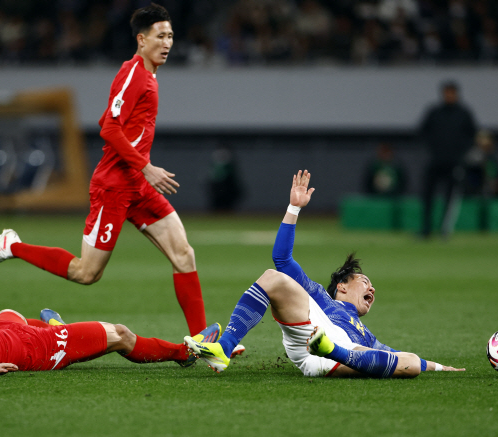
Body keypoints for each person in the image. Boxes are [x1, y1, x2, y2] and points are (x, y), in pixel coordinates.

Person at [0, 4, 207, 338]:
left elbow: (112, 123)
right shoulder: (134, 75)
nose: (167, 43)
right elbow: (109, 129)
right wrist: (146, 166)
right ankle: (12, 246)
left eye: (170, 36)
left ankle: (203, 341)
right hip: (114, 186)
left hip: (138, 185)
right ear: (141, 40)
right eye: (160, 36)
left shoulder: (148, 76)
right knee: (87, 273)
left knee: (184, 254)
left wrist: (142, 170)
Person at [186, 171, 465, 378]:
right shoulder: (318, 295)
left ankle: (331, 349)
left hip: (341, 355)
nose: (372, 290)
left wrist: (441, 367)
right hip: (311, 328)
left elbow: (399, 357)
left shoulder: (366, 334)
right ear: (342, 287)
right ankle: (224, 348)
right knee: (272, 276)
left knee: (412, 363)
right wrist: (294, 208)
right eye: (365, 281)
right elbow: (282, 258)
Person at [0, 283, 223, 376]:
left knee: (7, 311)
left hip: (7, 334)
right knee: (120, 334)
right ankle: (186, 353)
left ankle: (60, 327)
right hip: (35, 348)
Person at [419, 81, 477, 238]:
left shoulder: (464, 114)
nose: (449, 96)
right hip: (436, 161)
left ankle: (444, 230)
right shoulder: (434, 112)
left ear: (456, 94)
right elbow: (423, 131)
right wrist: (433, 149)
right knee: (427, 195)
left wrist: (461, 154)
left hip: (455, 163)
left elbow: (472, 135)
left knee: (450, 198)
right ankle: (426, 229)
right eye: (446, 93)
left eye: (451, 93)